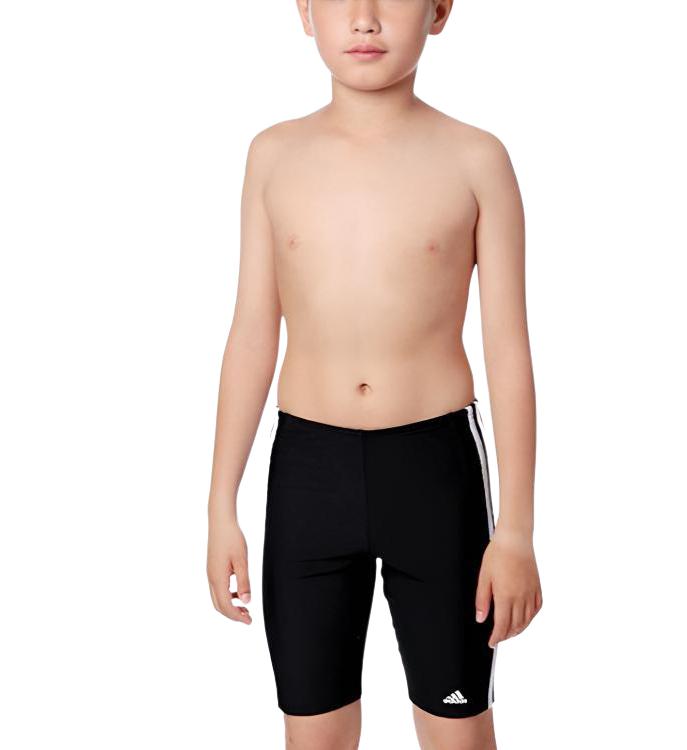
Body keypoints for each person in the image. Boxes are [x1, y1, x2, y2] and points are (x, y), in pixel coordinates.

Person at [206, 1, 542, 747]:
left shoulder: (475, 158)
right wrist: (220, 503)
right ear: (304, 12)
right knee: (313, 733)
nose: (364, 18)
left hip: (434, 472)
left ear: (439, 10)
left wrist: (515, 530)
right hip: (308, 474)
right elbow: (252, 331)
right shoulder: (274, 155)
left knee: (457, 731)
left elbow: (508, 349)